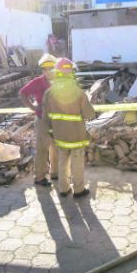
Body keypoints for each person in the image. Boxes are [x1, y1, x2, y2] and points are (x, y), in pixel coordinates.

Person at [42, 58, 96, 198]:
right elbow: (89, 114)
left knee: (62, 161)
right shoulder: (78, 92)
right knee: (77, 163)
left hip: (59, 135)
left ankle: (63, 189)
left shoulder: (49, 93)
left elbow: (46, 117)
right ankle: (78, 190)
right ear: (71, 73)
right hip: (76, 136)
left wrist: (50, 131)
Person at [19, 54, 59, 187]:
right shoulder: (38, 82)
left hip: (57, 120)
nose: (47, 71)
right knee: (41, 149)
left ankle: (55, 172)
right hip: (42, 120)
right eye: (45, 69)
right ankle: (39, 177)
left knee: (55, 147)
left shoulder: (59, 81)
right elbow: (22, 93)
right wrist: (33, 107)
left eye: (50, 68)